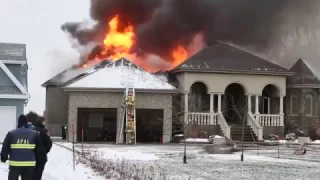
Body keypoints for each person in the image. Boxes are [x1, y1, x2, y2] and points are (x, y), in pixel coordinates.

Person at [1, 114, 41, 180]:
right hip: (29, 164)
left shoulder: (11, 133)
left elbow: (5, 147)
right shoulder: (35, 134)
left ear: (18, 123)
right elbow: (39, 149)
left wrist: (3, 157)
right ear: (26, 123)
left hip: (15, 164)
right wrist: (39, 160)